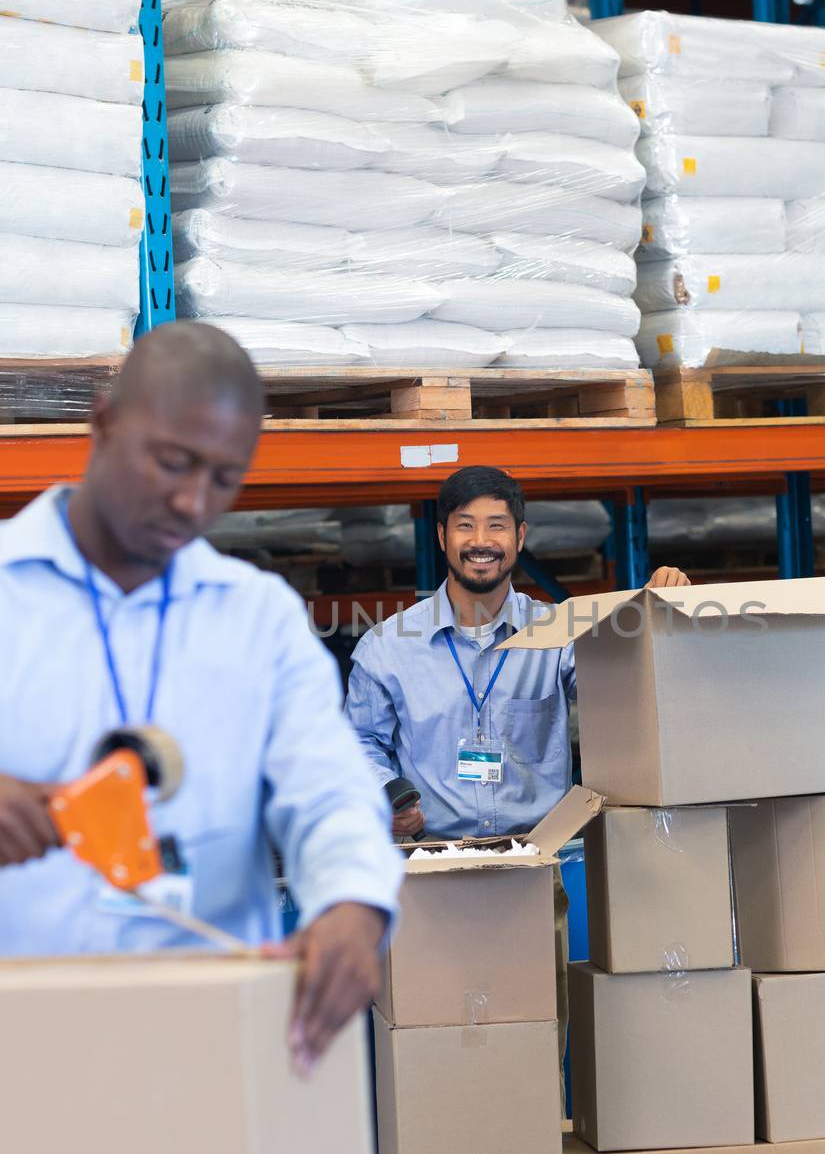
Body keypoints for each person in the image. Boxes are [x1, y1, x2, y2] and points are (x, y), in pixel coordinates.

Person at [0, 322, 401, 1076]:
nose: (192, 501)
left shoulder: (258, 621)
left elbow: (329, 793)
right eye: (173, 462)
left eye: (223, 478)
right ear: (104, 423)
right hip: (18, 1063)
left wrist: (353, 901)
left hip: (205, 1062)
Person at [345, 464, 690, 843]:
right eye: (465, 525)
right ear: (442, 536)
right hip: (430, 859)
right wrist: (382, 795)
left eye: (496, 525)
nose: (481, 541)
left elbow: (627, 696)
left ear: (520, 536)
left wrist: (659, 616)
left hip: (539, 858)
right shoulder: (388, 647)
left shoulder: (559, 634)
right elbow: (359, 741)